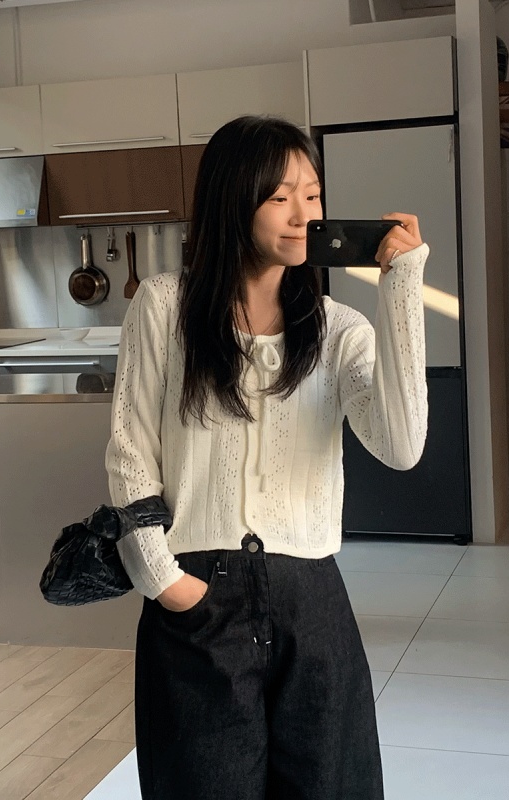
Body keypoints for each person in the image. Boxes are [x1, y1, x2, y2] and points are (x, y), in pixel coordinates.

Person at [106, 114, 428, 800]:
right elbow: (131, 455)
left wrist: (401, 287)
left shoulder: (340, 331)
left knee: (330, 785)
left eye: (312, 195)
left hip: (311, 600)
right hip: (197, 599)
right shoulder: (164, 307)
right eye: (280, 197)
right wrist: (166, 583)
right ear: (234, 200)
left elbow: (401, 447)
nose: (303, 216)